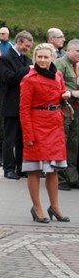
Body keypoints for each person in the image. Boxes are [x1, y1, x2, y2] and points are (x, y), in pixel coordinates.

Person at [19, 43, 71, 223]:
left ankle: (55, 207)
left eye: (45, 57)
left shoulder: (58, 75)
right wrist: (28, 134)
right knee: (34, 169)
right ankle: (37, 207)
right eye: (39, 57)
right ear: (35, 58)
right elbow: (24, 109)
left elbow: (61, 92)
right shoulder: (29, 79)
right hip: (37, 125)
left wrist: (65, 94)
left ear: (52, 58)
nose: (42, 60)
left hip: (55, 125)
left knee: (53, 169)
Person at [0, 30, 34, 180]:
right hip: (11, 104)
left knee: (22, 139)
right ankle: (8, 168)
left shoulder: (25, 58)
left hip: (24, 105)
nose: (28, 49)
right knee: (10, 139)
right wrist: (27, 70)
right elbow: (8, 78)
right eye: (27, 45)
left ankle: (21, 167)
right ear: (19, 42)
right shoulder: (6, 58)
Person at [55, 39, 79, 191]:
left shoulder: (76, 65)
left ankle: (72, 177)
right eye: (77, 51)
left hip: (75, 109)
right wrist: (71, 92)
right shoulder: (60, 64)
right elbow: (55, 86)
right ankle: (60, 178)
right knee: (61, 142)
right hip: (64, 107)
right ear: (68, 50)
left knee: (73, 143)